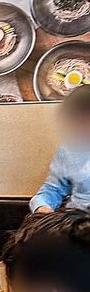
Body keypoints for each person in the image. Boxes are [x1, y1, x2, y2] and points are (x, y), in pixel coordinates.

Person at [30, 83, 90, 213]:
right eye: (80, 122)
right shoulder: (68, 150)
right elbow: (53, 189)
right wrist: (42, 207)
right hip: (77, 218)